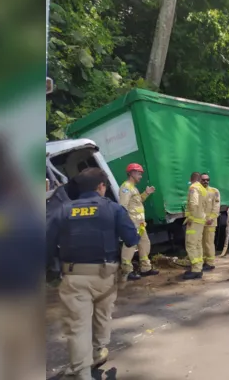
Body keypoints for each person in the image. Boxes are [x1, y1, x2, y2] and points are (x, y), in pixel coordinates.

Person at [47, 168, 141, 380]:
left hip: (73, 277)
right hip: (106, 275)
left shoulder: (62, 210)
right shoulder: (113, 208)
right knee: (102, 315)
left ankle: (81, 372)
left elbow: (47, 245)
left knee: (78, 325)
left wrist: (50, 272)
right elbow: (132, 239)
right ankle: (99, 351)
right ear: (101, 186)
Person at [118, 163, 158, 281]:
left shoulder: (133, 187)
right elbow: (123, 207)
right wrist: (126, 224)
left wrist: (146, 193)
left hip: (140, 224)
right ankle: (127, 271)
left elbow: (138, 201)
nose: (140, 176)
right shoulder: (126, 188)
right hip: (132, 224)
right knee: (130, 247)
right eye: (139, 174)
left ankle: (146, 268)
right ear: (132, 173)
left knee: (144, 244)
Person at [183, 172, 208, 280]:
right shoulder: (202, 188)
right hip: (201, 220)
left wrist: (190, 218)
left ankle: (196, 270)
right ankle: (199, 266)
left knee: (191, 244)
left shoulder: (193, 187)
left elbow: (193, 203)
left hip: (194, 220)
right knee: (198, 244)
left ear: (191, 179)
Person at [202, 173, 220, 271]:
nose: (206, 181)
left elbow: (216, 207)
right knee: (202, 243)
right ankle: (205, 261)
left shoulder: (214, 191)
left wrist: (211, 218)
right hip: (201, 222)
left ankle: (210, 263)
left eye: (207, 179)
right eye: (203, 180)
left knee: (208, 242)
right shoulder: (199, 192)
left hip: (210, 222)